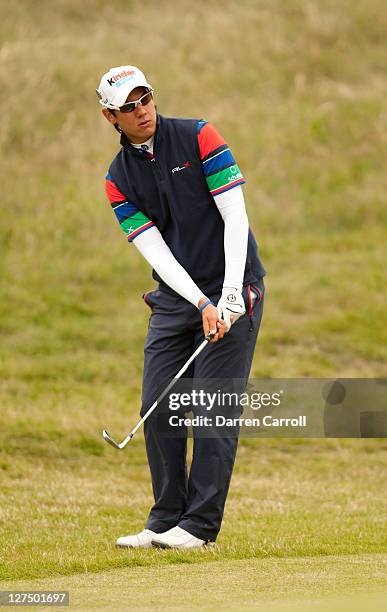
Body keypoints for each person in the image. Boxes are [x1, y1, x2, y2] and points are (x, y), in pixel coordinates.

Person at [96, 65, 266, 549]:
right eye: (127, 106)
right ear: (112, 117)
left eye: (144, 97)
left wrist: (230, 294)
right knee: (158, 402)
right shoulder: (117, 178)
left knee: (212, 408)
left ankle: (198, 528)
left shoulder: (198, 136)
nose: (140, 110)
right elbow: (156, 251)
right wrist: (197, 301)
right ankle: (164, 520)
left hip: (235, 285)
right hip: (176, 297)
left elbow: (235, 214)